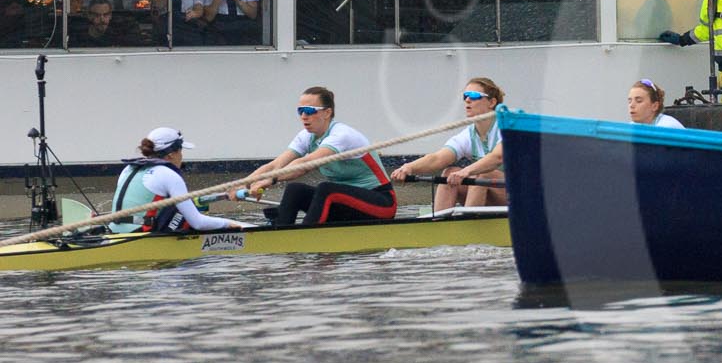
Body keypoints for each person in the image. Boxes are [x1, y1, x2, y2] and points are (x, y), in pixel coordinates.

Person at [247, 86, 398, 227]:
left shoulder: (342, 135)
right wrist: (243, 185)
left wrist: (271, 179)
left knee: (326, 189)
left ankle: (303, 236)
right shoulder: (306, 136)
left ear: (327, 112)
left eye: (309, 110)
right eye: (300, 111)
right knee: (295, 189)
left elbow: (306, 163)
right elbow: (275, 165)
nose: (304, 116)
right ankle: (281, 234)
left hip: (381, 205)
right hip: (344, 204)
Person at [389, 77, 508, 211]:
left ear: (491, 102)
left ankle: (467, 224)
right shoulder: (469, 134)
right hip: (491, 192)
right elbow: (438, 159)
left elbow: (497, 157)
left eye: (474, 96)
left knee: (483, 174)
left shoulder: (507, 128)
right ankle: (438, 224)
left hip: (519, 195)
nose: (467, 100)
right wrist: (409, 168)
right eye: (465, 96)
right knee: (449, 173)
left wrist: (465, 171)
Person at [108, 127, 239, 235]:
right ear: (171, 154)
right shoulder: (168, 174)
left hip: (114, 231)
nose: (182, 156)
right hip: (142, 234)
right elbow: (198, 223)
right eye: (181, 150)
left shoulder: (128, 168)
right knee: (182, 210)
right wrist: (228, 223)